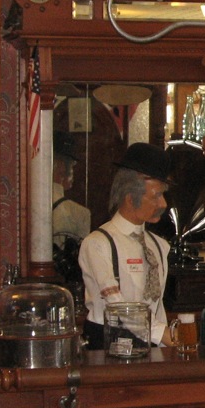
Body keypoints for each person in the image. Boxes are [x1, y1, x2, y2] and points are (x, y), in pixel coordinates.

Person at [78, 143, 175, 349]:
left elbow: (157, 308)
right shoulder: (97, 244)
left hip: (151, 343)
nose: (164, 204)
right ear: (130, 199)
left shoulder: (159, 246)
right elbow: (117, 304)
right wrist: (162, 334)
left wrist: (167, 344)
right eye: (156, 195)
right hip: (107, 345)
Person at [52, 131, 90, 246]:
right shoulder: (81, 214)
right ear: (61, 166)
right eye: (73, 165)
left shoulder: (28, 202)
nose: (74, 172)